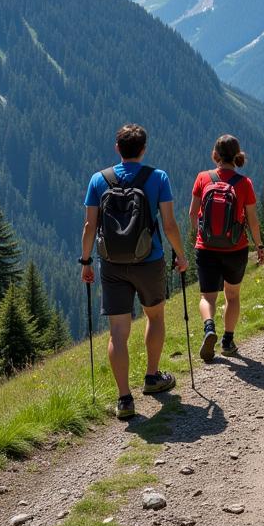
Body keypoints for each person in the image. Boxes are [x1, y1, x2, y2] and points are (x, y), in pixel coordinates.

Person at [81, 123, 189, 419]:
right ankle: (152, 378)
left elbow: (90, 225)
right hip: (149, 260)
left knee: (118, 331)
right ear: (143, 149)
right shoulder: (157, 178)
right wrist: (181, 255)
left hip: (112, 264)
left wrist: (86, 261)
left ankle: (124, 399)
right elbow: (168, 224)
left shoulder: (98, 180)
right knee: (154, 317)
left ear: (117, 148)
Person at [189, 134, 264, 362]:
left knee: (207, 296)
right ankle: (228, 340)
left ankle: (209, 327)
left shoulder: (203, 178)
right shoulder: (244, 184)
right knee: (232, 296)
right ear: (237, 156)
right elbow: (252, 220)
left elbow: (193, 214)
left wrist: (199, 235)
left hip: (207, 247)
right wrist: (259, 245)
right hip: (236, 248)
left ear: (215, 155)